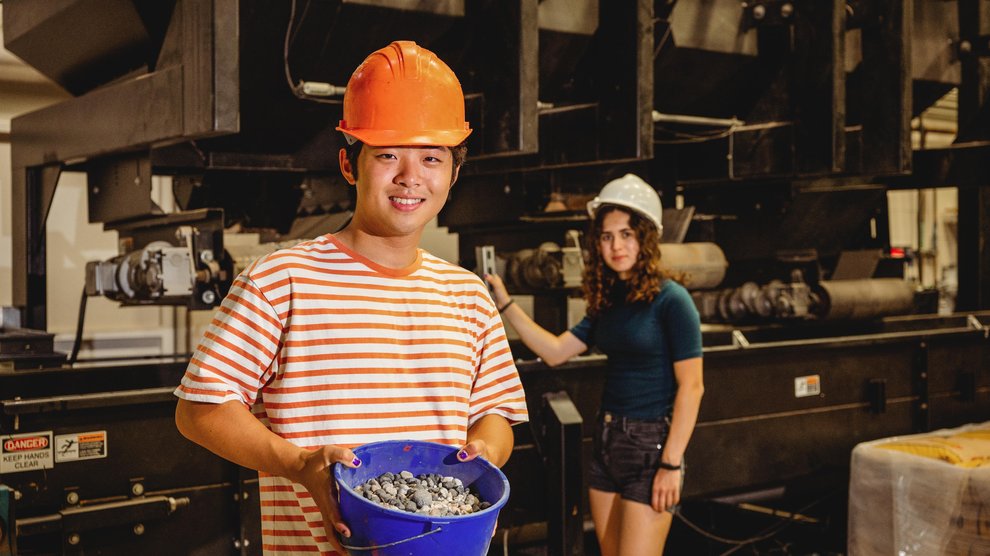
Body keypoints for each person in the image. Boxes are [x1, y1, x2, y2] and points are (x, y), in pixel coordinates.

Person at [174, 40, 529, 555]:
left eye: (432, 157)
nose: (410, 177)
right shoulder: (281, 280)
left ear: (454, 172)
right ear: (348, 164)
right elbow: (199, 408)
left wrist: (482, 454)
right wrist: (299, 465)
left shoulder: (467, 296)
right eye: (387, 155)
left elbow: (494, 412)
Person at [486, 173, 703, 556]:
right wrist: (504, 304)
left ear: (646, 237)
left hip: (650, 448)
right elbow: (554, 351)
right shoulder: (609, 302)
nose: (616, 245)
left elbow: (692, 387)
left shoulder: (673, 300)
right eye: (606, 236)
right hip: (606, 441)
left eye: (626, 234)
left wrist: (670, 464)